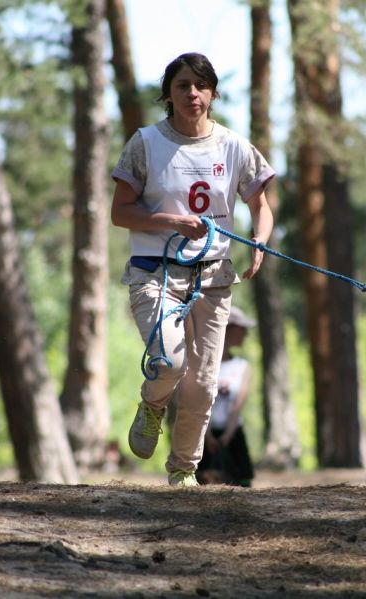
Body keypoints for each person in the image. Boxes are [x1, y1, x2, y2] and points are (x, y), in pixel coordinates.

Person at [110, 52, 275, 487]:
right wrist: (171, 221)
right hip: (155, 272)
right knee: (170, 358)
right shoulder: (145, 142)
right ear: (169, 93)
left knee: (203, 385)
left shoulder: (235, 146)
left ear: (214, 93)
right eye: (183, 85)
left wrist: (260, 240)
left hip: (214, 277)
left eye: (201, 86)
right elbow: (120, 212)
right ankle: (152, 405)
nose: (193, 94)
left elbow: (260, 205)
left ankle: (183, 471)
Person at [196, 306, 257, 487]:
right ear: (227, 329)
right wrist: (207, 436)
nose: (245, 334)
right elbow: (198, 402)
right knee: (200, 479)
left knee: (243, 480)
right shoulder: (201, 364)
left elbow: (237, 406)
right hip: (202, 432)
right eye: (241, 329)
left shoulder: (242, 367)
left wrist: (228, 435)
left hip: (233, 433)